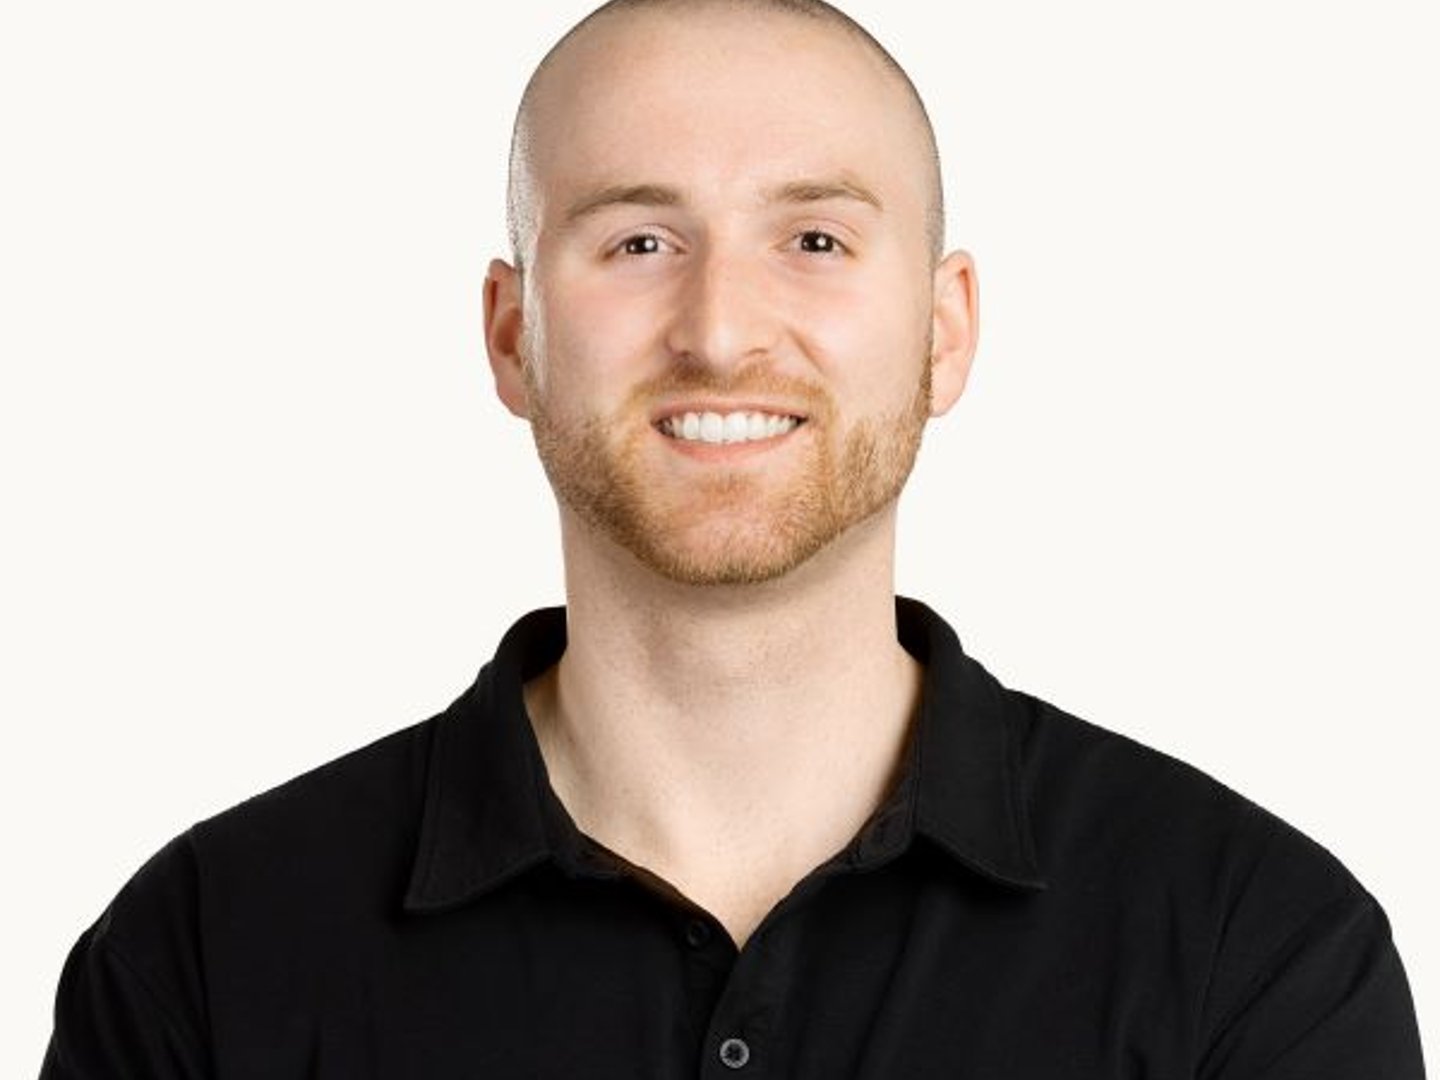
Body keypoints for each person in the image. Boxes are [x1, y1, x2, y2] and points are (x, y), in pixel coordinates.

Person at [41, 0, 1425, 1075]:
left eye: (814, 241)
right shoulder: (206, 956)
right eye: (639, 243)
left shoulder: (1255, 950)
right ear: (513, 337)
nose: (718, 332)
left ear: (944, 331)